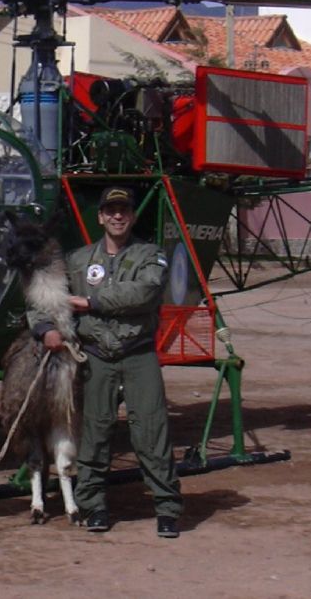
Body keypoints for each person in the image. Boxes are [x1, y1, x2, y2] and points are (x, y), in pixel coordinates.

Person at [36, 186, 183, 538]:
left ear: (132, 216)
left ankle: (167, 508)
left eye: (124, 210)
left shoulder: (150, 256)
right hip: (96, 356)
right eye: (111, 210)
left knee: (151, 431)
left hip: (138, 354)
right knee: (94, 432)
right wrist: (44, 329)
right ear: (101, 216)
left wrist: (89, 302)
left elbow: (144, 291)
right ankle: (93, 505)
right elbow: (46, 297)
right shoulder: (78, 260)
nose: (118, 216)